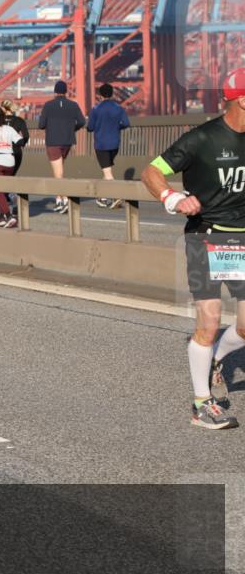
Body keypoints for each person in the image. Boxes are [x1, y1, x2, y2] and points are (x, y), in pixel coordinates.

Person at [140, 68, 245, 430]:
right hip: (206, 236)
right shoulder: (202, 138)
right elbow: (151, 172)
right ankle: (202, 404)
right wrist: (172, 198)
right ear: (241, 100)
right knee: (209, 321)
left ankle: (216, 358)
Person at [39, 80, 86, 213]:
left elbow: (41, 125)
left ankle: (64, 199)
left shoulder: (48, 105)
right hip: (67, 141)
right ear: (66, 91)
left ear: (55, 91)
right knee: (59, 170)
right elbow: (82, 121)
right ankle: (59, 199)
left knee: (58, 172)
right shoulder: (73, 105)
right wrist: (72, 128)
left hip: (53, 141)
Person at [86, 83, 131, 208]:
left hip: (101, 145)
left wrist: (95, 127)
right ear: (112, 94)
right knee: (107, 171)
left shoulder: (96, 109)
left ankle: (117, 196)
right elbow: (126, 123)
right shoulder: (119, 108)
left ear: (100, 95)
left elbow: (90, 127)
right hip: (115, 144)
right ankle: (102, 196)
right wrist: (117, 127)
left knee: (107, 172)